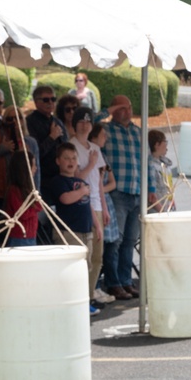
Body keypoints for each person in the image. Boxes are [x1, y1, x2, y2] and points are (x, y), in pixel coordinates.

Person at [96, 95, 155, 301]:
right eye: (121, 108)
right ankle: (113, 283)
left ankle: (126, 281)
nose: (126, 111)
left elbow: (147, 163)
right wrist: (110, 110)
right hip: (117, 193)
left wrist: (151, 188)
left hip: (137, 192)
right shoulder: (107, 131)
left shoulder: (139, 132)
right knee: (115, 240)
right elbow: (90, 123)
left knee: (130, 240)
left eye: (128, 107)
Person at [48, 142, 98, 316]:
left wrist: (97, 225)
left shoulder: (80, 181)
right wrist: (83, 191)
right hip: (69, 232)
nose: (71, 162)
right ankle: (68, 302)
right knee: (70, 270)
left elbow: (88, 205)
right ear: (58, 161)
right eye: (66, 158)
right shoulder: (58, 181)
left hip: (86, 231)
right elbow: (65, 199)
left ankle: (84, 301)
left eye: (74, 158)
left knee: (86, 268)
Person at [71, 108, 112, 305]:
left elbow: (99, 182)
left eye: (88, 121)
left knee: (98, 256)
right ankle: (83, 299)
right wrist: (91, 164)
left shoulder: (95, 148)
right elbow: (78, 177)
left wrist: (104, 208)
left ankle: (89, 295)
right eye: (81, 121)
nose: (85, 125)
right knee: (86, 257)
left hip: (96, 202)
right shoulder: (71, 147)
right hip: (82, 204)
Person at [91, 123, 120, 300]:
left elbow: (110, 183)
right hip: (94, 203)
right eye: (103, 135)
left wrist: (101, 189)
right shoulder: (91, 154)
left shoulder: (102, 156)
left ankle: (98, 286)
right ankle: (94, 287)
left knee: (108, 245)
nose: (106, 138)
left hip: (104, 202)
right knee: (96, 247)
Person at [26, 85, 67, 202]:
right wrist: (52, 137)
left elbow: (66, 148)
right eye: (45, 100)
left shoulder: (58, 121)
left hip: (61, 178)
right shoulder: (30, 122)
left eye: (53, 99)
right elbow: (34, 154)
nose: (50, 103)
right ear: (36, 102)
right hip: (43, 180)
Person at [0, 150, 41, 247]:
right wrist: (35, 207)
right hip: (18, 238)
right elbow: (23, 214)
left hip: (31, 236)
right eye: (33, 165)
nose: (35, 168)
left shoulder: (28, 189)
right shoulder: (13, 190)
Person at [147, 129, 175, 213]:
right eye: (165, 142)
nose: (166, 146)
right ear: (157, 145)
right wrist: (162, 211)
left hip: (169, 207)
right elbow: (151, 195)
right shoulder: (151, 166)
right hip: (158, 211)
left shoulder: (165, 164)